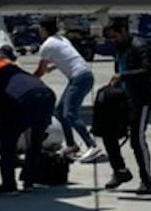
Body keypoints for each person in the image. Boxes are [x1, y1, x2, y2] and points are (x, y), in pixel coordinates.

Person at [0, 56, 56, 194]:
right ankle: (29, 182)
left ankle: (9, 186)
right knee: (35, 144)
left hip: (22, 102)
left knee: (8, 145)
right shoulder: (21, 73)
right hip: (47, 96)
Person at [33, 17, 103, 163]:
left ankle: (92, 145)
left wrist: (29, 80)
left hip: (80, 78)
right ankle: (71, 145)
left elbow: (40, 71)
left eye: (40, 28)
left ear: (44, 29)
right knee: (59, 112)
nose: (39, 31)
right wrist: (55, 66)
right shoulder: (61, 39)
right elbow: (68, 57)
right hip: (83, 75)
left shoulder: (46, 45)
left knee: (69, 113)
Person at [101, 17, 151, 195]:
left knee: (137, 140)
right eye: (111, 38)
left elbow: (147, 71)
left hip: (141, 100)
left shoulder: (140, 46)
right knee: (108, 134)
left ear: (124, 31)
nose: (113, 40)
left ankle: (147, 180)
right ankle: (120, 171)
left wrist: (123, 76)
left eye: (115, 36)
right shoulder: (120, 48)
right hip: (124, 99)